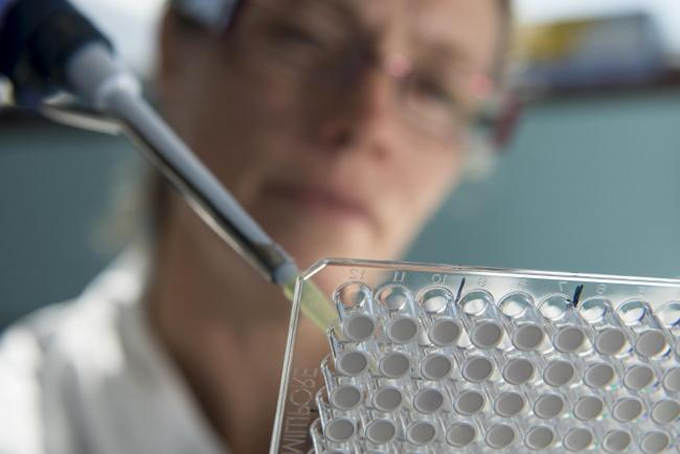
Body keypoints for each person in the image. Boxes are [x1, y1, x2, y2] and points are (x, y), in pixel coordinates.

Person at [0, 0, 511, 452]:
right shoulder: (21, 415)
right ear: (175, 48)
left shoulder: (509, 398)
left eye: (436, 89)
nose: (366, 121)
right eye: (308, 37)